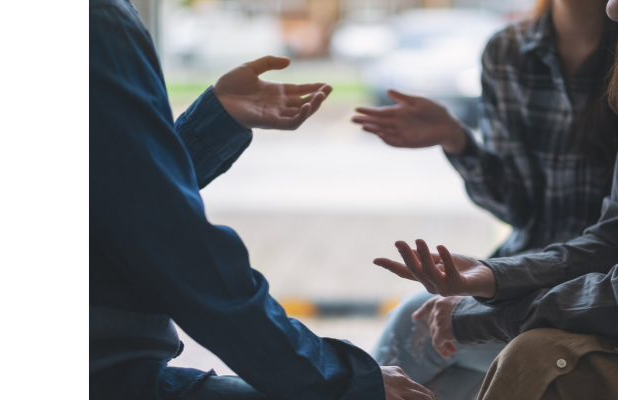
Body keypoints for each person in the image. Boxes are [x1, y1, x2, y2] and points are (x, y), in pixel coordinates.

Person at [89, 1, 434, 399]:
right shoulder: (97, 19)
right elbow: (176, 246)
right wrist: (340, 379)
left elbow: (121, 193)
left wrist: (213, 123)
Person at [374, 0, 618, 397]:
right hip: (557, 273)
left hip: (610, 305)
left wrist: (487, 310)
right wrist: (494, 275)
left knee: (418, 327)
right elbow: (603, 235)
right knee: (437, 367)